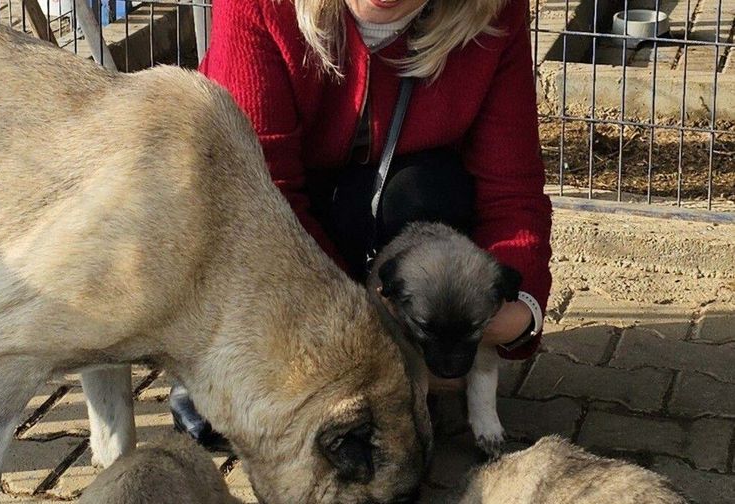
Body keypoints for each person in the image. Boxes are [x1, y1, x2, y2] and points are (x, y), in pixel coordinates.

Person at [171, 0, 553, 444]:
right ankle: (216, 354)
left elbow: (511, 187)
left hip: (388, 200)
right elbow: (260, 193)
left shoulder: (491, 9)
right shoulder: (257, 6)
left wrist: (519, 309)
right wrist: (357, 325)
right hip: (273, 207)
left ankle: (394, 361)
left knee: (429, 191)